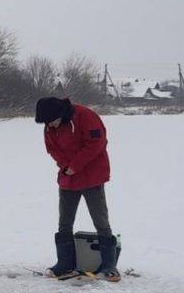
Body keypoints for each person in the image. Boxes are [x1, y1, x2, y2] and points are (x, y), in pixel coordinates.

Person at [35, 96, 120, 282]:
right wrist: (67, 166)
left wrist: (76, 165)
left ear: (60, 114)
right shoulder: (50, 125)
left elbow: (97, 143)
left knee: (100, 220)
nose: (51, 126)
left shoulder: (85, 116)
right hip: (68, 177)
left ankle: (109, 266)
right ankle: (65, 263)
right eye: (48, 123)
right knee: (64, 220)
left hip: (92, 175)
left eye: (53, 121)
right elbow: (52, 149)